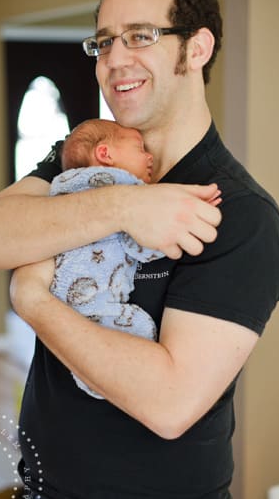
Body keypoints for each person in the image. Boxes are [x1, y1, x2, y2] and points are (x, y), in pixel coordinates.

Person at [0, 0, 279, 499]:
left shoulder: (239, 215)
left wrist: (32, 302)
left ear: (197, 48)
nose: (114, 59)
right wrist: (125, 205)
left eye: (140, 36)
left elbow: (169, 404)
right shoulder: (81, 158)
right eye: (104, 41)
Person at [52, 118, 217, 399]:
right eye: (139, 147)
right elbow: (141, 242)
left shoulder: (62, 188)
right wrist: (182, 226)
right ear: (106, 155)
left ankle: (90, 377)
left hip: (62, 294)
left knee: (88, 353)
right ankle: (104, 382)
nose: (149, 155)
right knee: (139, 331)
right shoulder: (127, 189)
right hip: (98, 300)